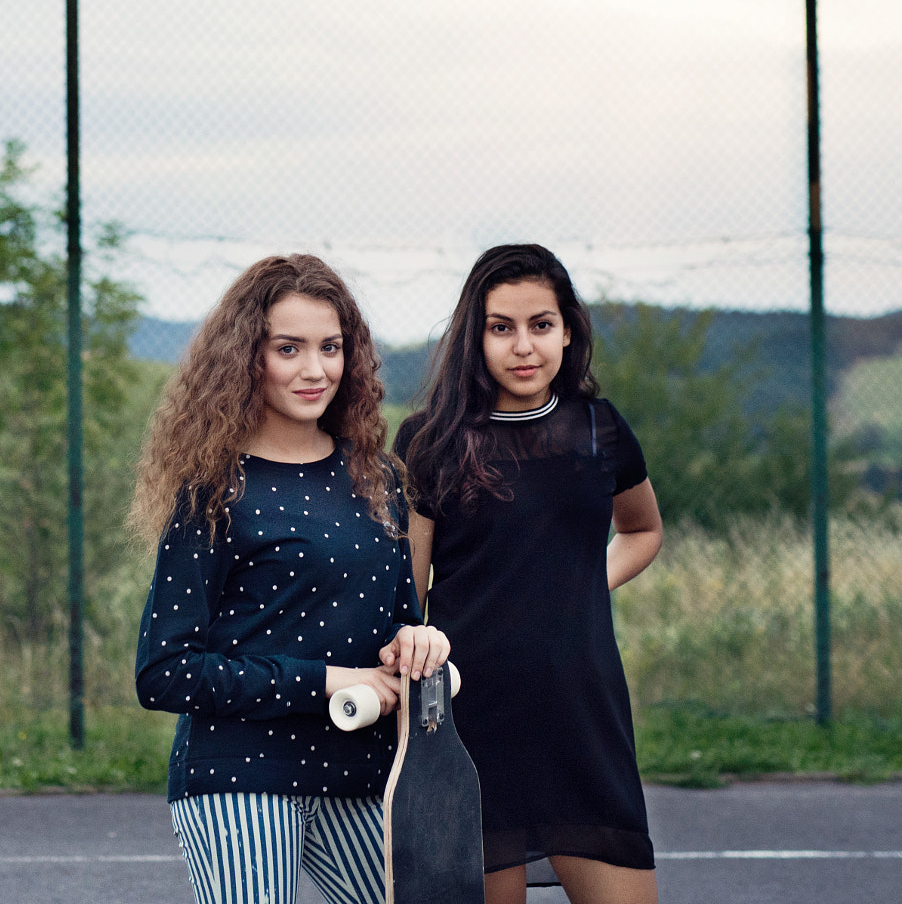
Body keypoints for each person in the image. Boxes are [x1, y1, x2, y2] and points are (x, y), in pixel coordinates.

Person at [133, 253, 451, 904]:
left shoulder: (379, 478)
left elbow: (397, 618)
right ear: (247, 356)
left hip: (364, 773)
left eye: (331, 347)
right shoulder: (215, 491)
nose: (315, 369)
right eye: (289, 348)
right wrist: (325, 680)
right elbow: (165, 669)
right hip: (240, 775)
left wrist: (419, 643)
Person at [397, 244, 664, 904]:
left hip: (583, 714)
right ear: (474, 335)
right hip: (468, 725)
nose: (524, 345)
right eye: (501, 327)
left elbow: (642, 529)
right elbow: (406, 596)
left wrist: (577, 585)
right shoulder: (428, 442)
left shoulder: (601, 429)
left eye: (540, 324)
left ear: (568, 329)